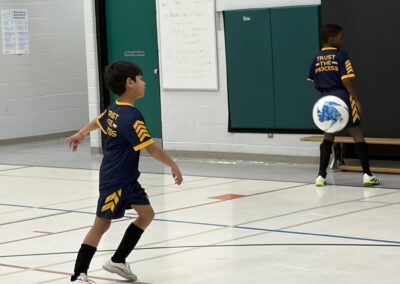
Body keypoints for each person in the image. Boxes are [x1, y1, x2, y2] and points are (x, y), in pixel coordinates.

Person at [66, 61, 183, 283]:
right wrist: (173, 165)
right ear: (130, 83)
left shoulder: (115, 109)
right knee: (101, 224)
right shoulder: (131, 116)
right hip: (115, 179)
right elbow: (150, 147)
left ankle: (118, 261)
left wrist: (82, 133)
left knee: (147, 215)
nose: (144, 82)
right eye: (141, 79)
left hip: (128, 179)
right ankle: (78, 274)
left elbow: (98, 121)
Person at [307, 24, 380, 186]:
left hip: (325, 100)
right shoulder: (341, 56)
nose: (342, 40)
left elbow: (313, 81)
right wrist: (356, 100)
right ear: (332, 39)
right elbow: (346, 80)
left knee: (328, 137)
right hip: (343, 98)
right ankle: (367, 175)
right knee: (358, 136)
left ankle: (321, 176)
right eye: (341, 37)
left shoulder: (316, 58)